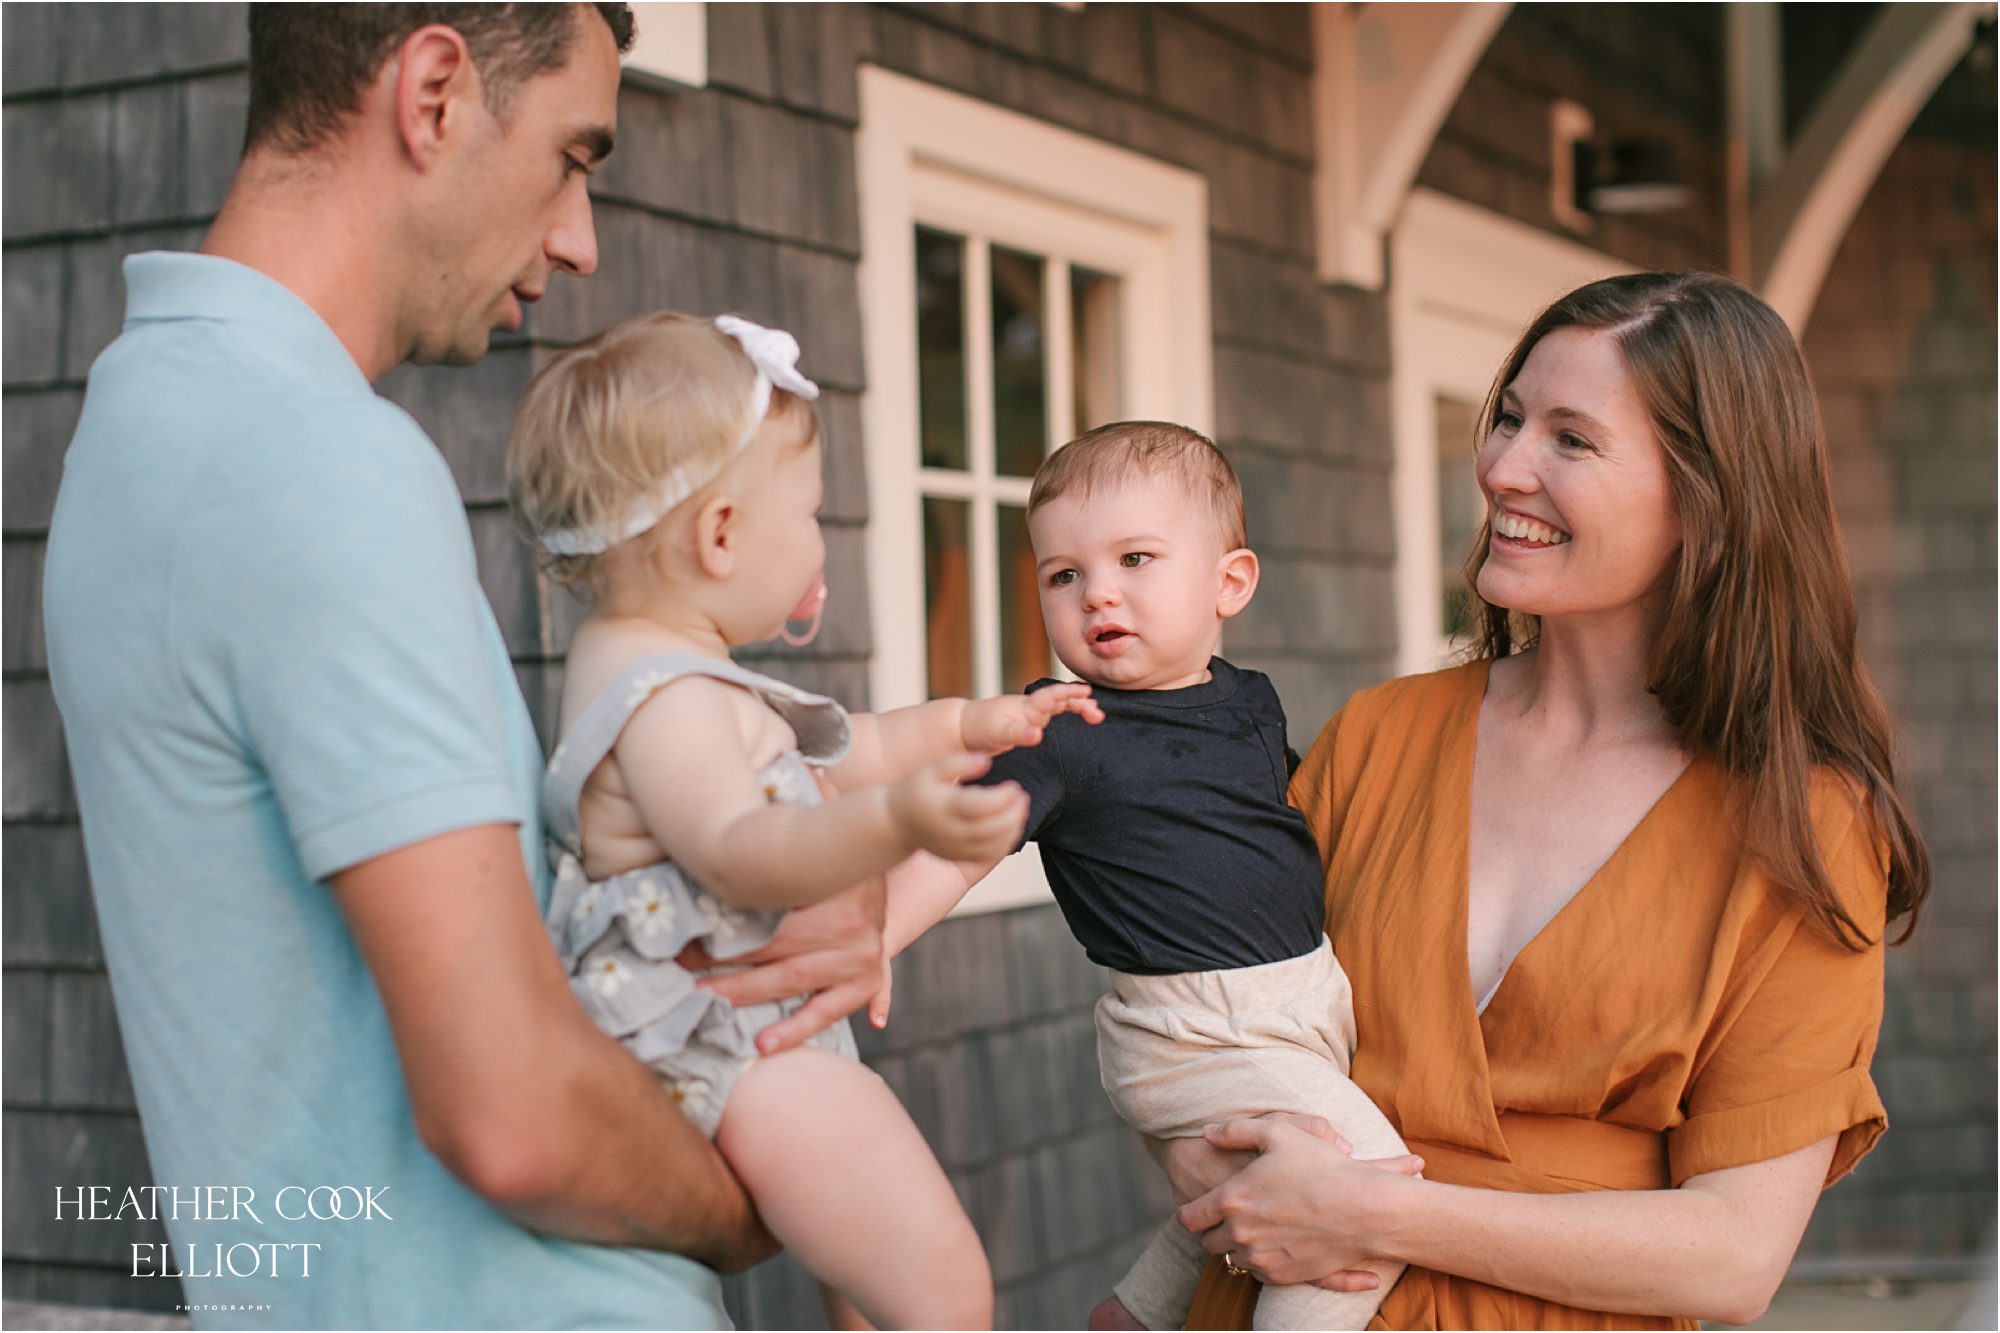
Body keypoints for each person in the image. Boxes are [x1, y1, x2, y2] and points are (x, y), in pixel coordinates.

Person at [42, 7, 882, 1327]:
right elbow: (515, 1117)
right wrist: (758, 1203)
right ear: (432, 93)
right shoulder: (322, 465)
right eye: (572, 156)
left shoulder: (136, 430)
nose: (578, 239)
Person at [1162, 271, 1929, 1330]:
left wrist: (1379, 1214)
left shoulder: (1802, 823)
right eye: (1510, 418)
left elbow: (1732, 1256)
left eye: (1570, 440)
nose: (1501, 467)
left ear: (1706, 494)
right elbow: (1209, 1010)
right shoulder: (1377, 737)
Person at [506, 309, 1104, 1329]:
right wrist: (895, 824)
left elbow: (849, 746)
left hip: (748, 1032)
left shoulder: (665, 663)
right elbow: (742, 852)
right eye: (813, 511)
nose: (820, 537)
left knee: (861, 1299)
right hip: (728, 1053)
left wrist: (968, 723)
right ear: (723, 534)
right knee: (945, 1289)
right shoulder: (668, 699)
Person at [873, 422, 1419, 1331]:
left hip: (1299, 1002)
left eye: (1135, 558)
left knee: (1266, 1177)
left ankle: (1133, 1313)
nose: (1099, 594)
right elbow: (963, 841)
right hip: (1194, 1027)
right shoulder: (1064, 732)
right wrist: (876, 933)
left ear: (1228, 583)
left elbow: (1267, 829)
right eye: (1064, 575)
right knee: (1360, 1207)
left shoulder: (1249, 700)